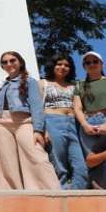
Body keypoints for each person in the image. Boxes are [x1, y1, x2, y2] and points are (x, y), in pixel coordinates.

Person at [0, 51, 60, 190]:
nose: (9, 64)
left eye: (12, 60)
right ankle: (10, 192)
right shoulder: (1, 85)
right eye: (5, 62)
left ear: (20, 62)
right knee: (6, 161)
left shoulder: (30, 81)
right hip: (2, 124)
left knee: (36, 156)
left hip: (24, 122)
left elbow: (36, 106)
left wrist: (38, 130)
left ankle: (48, 190)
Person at [41, 54, 89, 190]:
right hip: (52, 122)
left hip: (74, 124)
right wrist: (42, 130)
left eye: (66, 65)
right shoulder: (43, 83)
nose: (63, 67)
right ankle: (60, 195)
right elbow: (37, 108)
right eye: (59, 64)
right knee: (58, 164)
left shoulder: (75, 85)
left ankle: (76, 197)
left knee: (81, 167)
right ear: (53, 66)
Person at [74, 51, 106, 155]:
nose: (92, 64)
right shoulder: (78, 85)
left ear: (102, 64)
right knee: (93, 159)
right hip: (88, 123)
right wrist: (85, 125)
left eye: (95, 61)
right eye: (88, 63)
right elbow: (77, 108)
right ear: (84, 67)